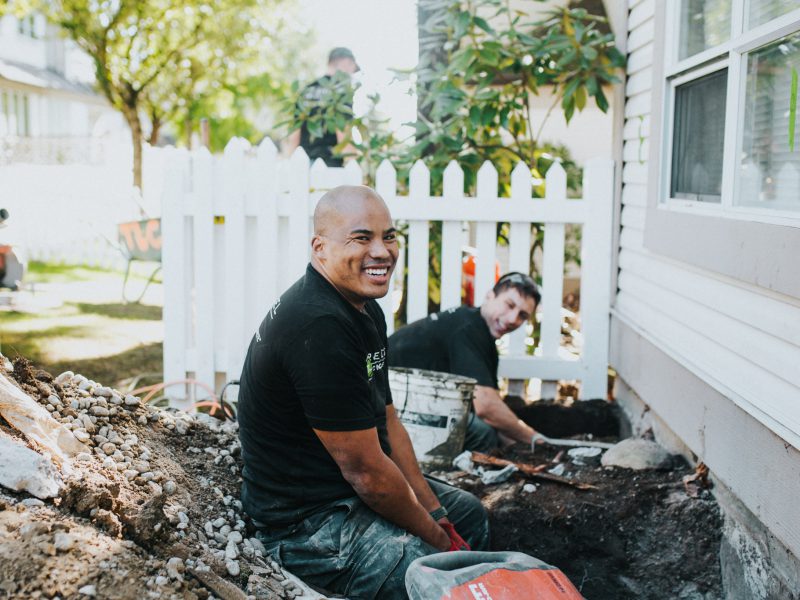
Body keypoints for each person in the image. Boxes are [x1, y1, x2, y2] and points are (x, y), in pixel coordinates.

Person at [237, 185, 489, 600]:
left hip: (344, 490)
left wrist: (438, 515)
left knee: (468, 515)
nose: (382, 251)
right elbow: (368, 474)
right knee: (427, 573)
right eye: (361, 238)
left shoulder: (364, 310)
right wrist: (440, 544)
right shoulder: (318, 329)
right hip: (306, 524)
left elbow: (388, 421)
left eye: (388, 236)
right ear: (320, 248)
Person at [389, 273, 542, 453]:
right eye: (509, 305)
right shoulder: (468, 329)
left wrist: (521, 445)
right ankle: (459, 478)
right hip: (388, 407)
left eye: (522, 315)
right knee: (482, 434)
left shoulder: (476, 329)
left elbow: (484, 407)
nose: (512, 319)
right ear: (489, 296)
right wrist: (536, 440)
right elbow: (486, 408)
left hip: (412, 403)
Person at [285, 47, 359, 166]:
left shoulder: (306, 90)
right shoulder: (340, 91)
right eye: (352, 69)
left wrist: (289, 163)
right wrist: (353, 166)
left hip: (304, 164)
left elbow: (294, 133)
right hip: (331, 165)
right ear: (347, 63)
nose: (351, 75)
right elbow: (343, 132)